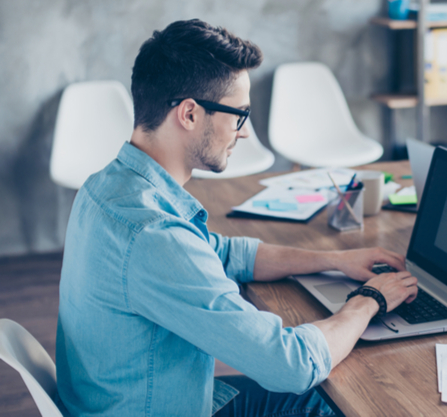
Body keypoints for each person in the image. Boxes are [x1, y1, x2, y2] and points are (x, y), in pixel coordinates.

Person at [55, 19, 418, 417]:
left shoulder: (106, 187)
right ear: (190, 114)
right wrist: (370, 300)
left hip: (125, 399)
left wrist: (334, 261)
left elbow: (222, 254)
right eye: (239, 115)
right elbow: (290, 365)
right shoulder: (154, 236)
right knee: (339, 397)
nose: (244, 133)